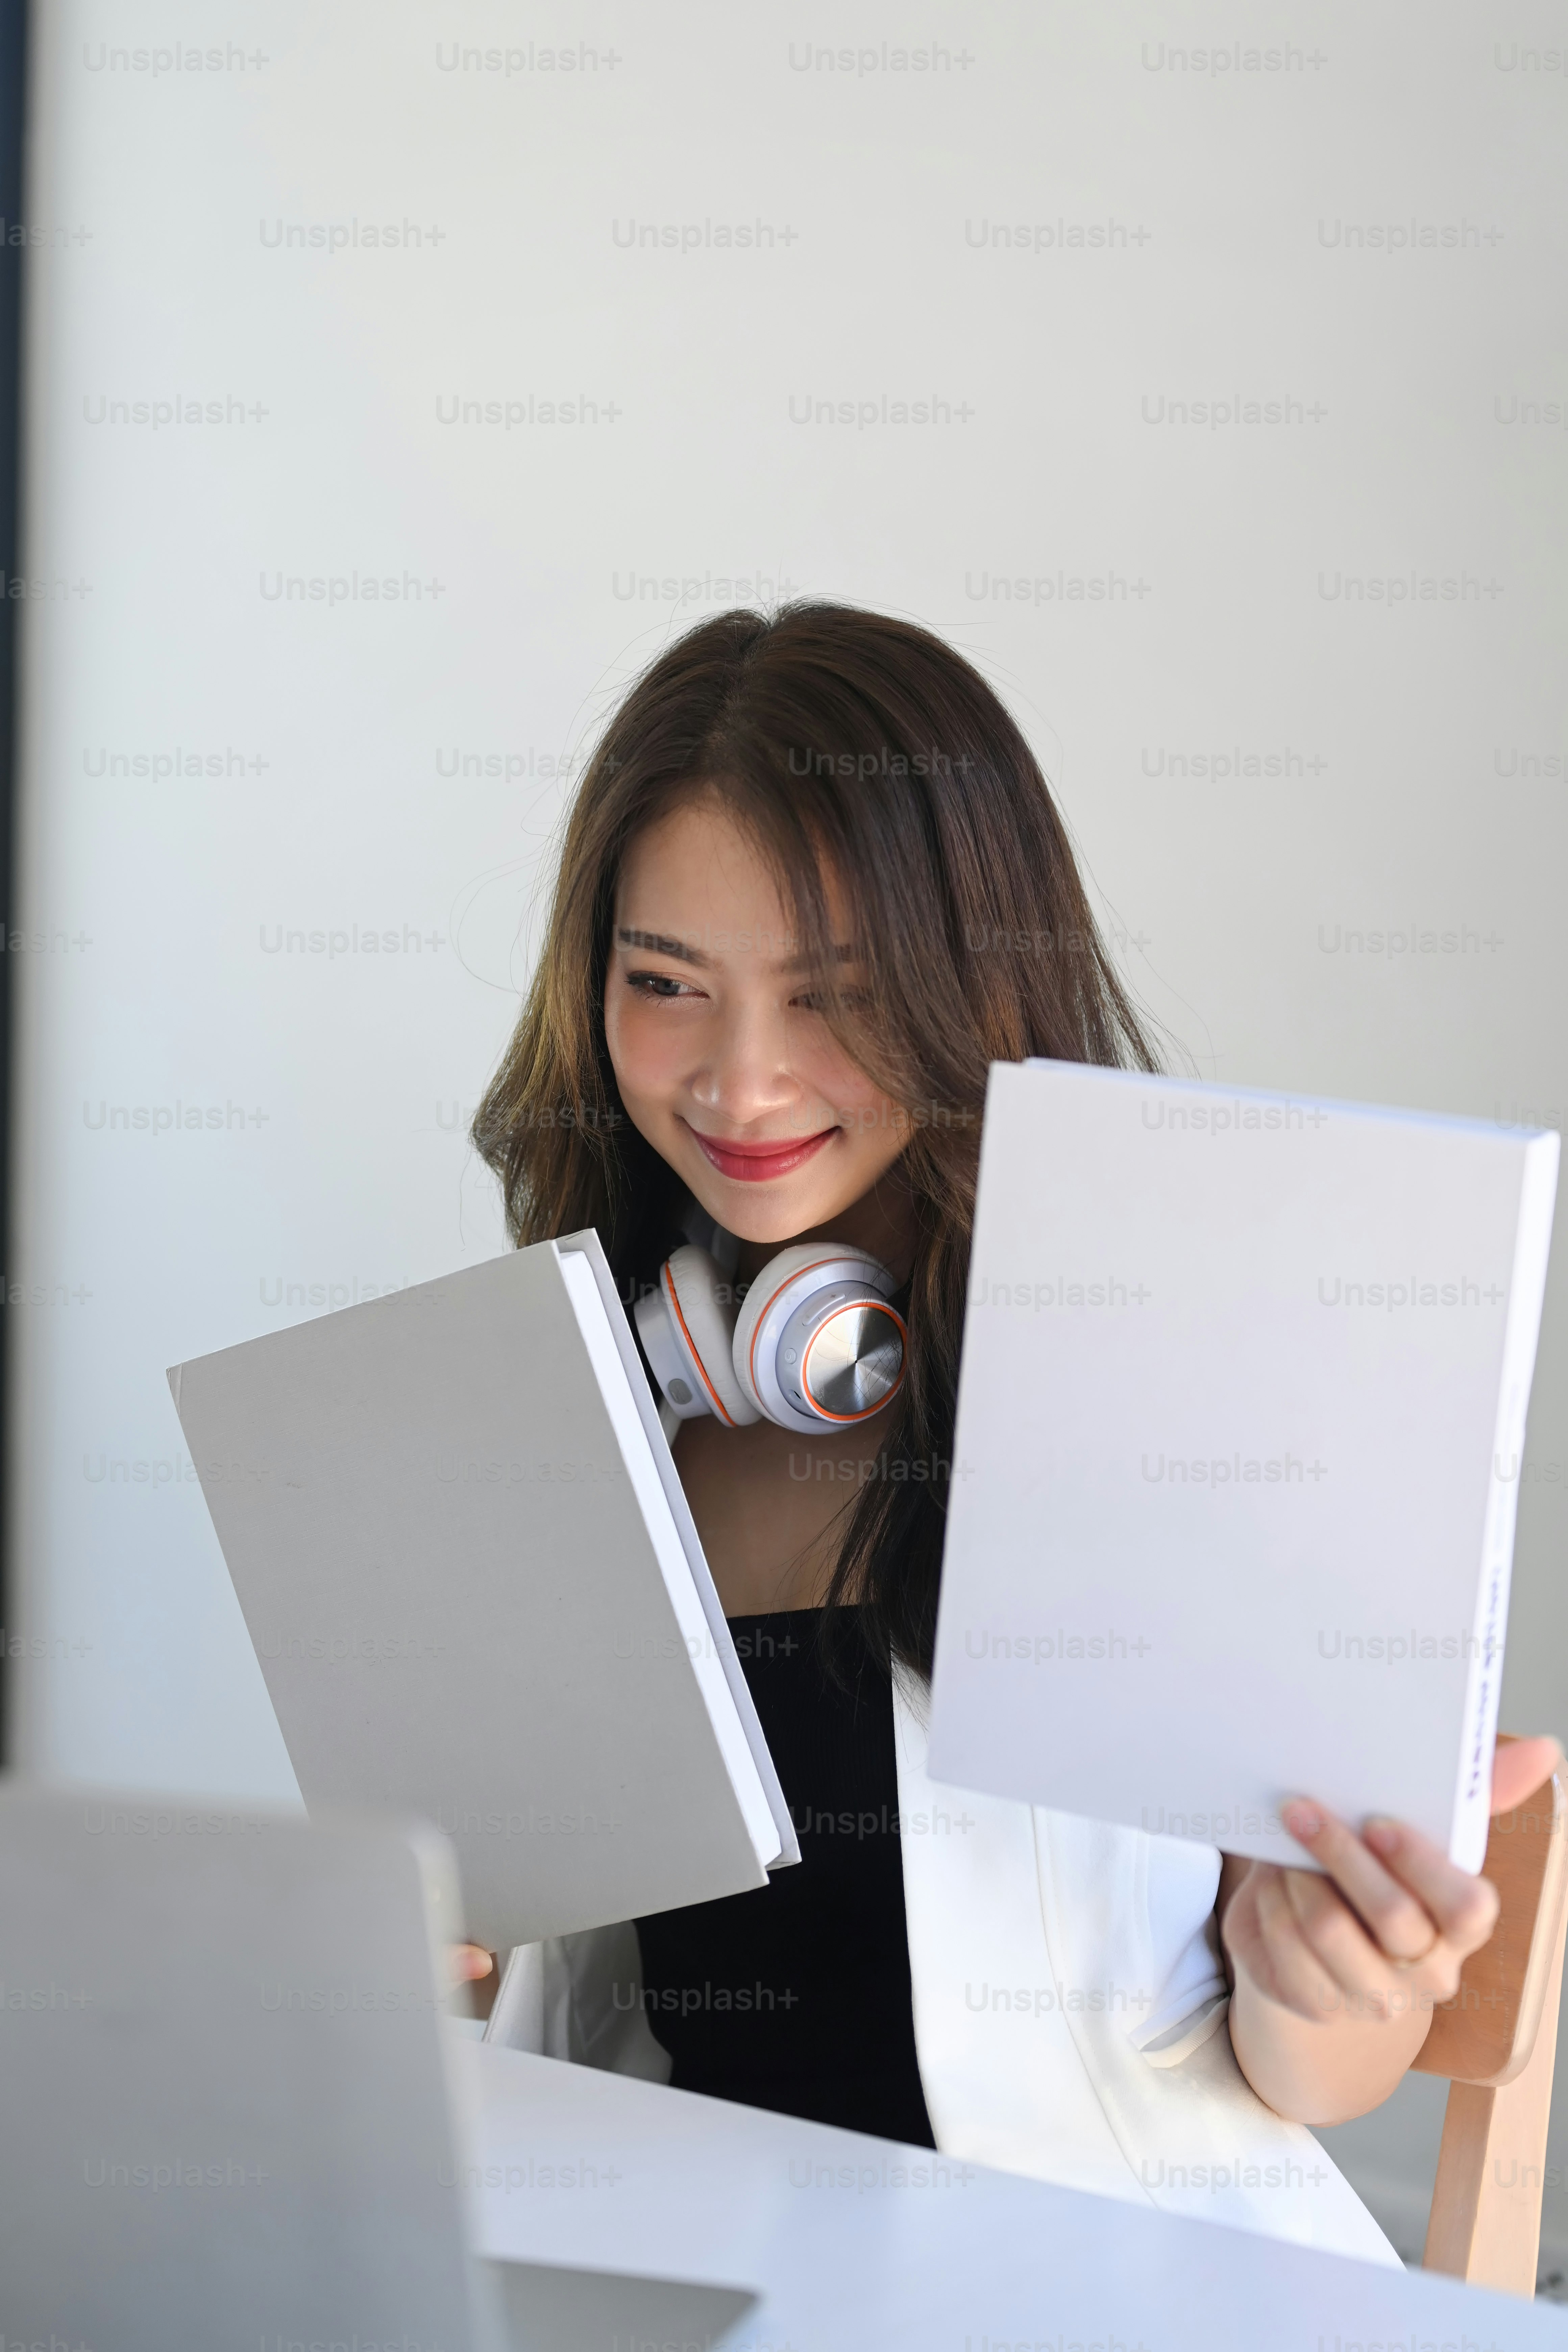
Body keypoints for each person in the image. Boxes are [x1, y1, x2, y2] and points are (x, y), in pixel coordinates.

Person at [455, 601, 1558, 2259]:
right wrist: (443, 1949)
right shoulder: (596, 1404)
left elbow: (1309, 2074)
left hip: (1098, 2273)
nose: (740, 1084)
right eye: (664, 984)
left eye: (830, 997)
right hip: (681, 2265)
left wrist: (1322, 1982)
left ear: (969, 983)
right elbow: (565, 2005)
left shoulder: (1185, 1393)